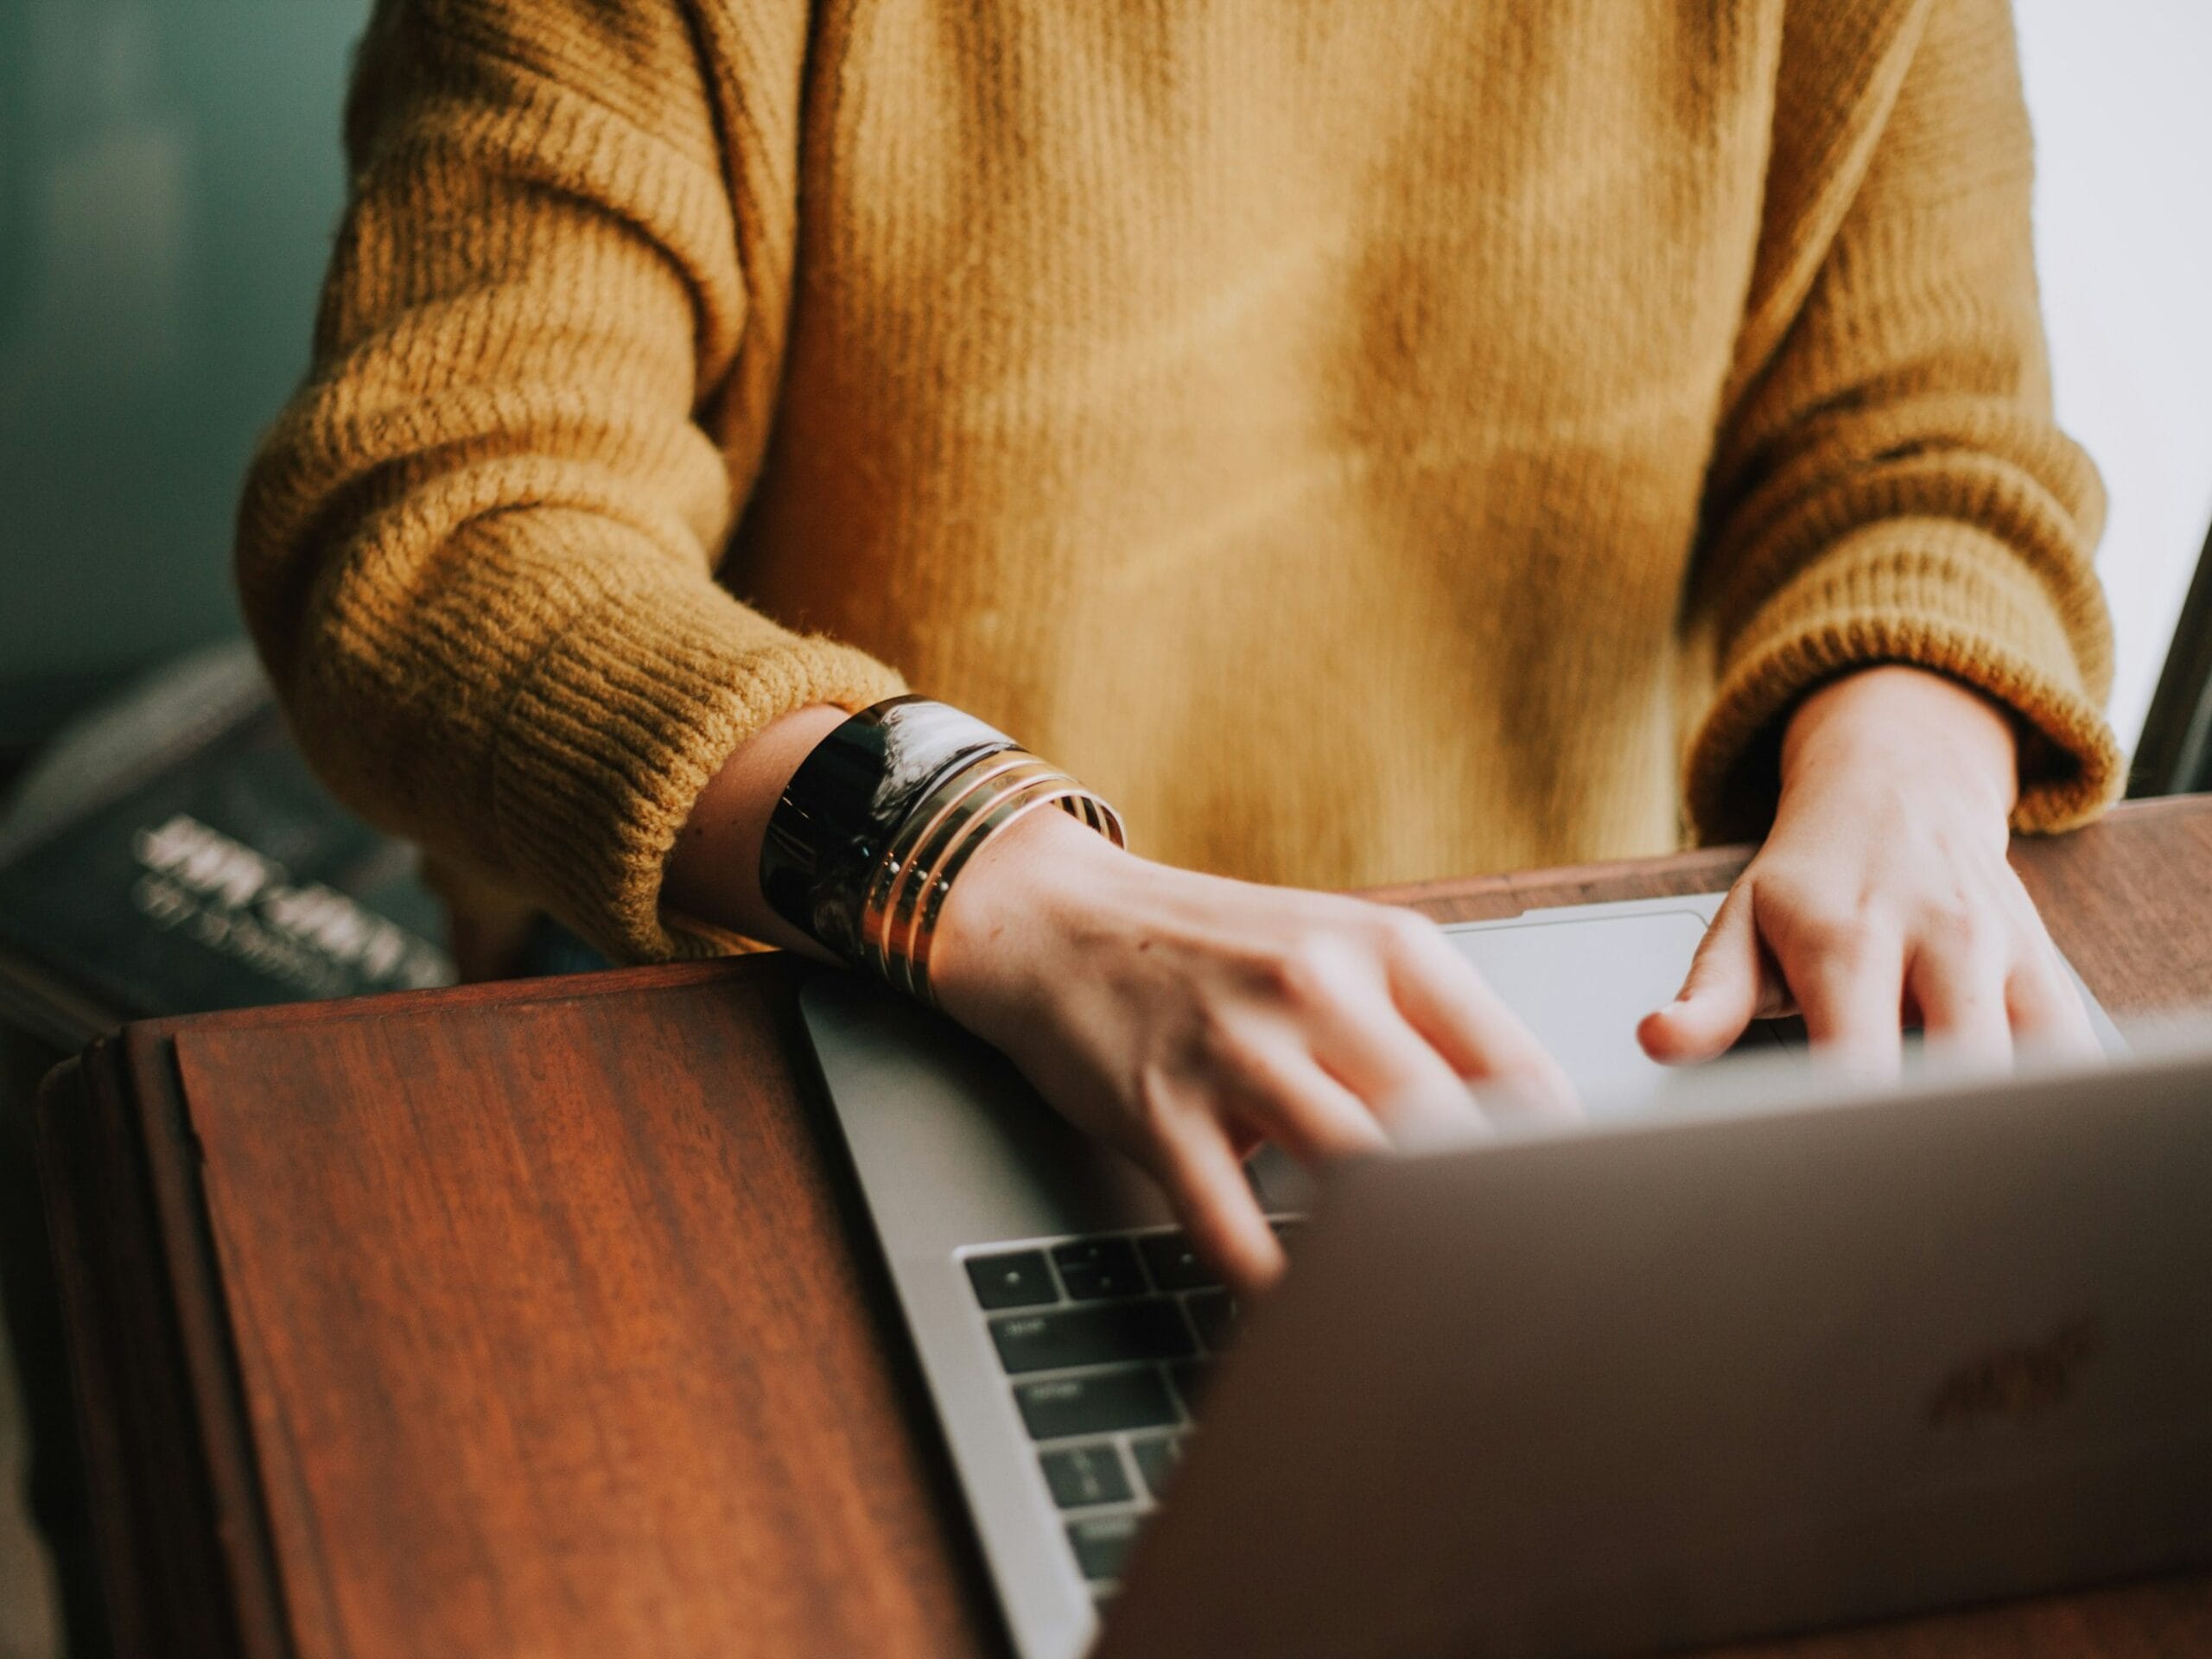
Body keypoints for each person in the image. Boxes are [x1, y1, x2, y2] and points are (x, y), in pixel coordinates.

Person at [238, 0, 2120, 1295]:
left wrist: (1910, 759)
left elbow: (1924, 450)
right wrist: (984, 872)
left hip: (1535, 1046)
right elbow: (438, 522)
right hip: (827, 991)